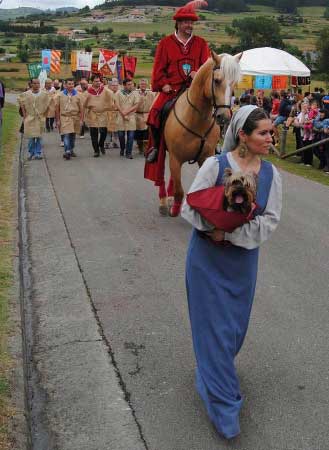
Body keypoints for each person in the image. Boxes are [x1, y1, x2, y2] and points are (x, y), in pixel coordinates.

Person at [181, 106, 282, 440]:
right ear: (243, 135)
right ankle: (225, 407)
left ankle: (212, 370)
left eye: (271, 132)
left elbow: (269, 220)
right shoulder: (215, 165)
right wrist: (214, 228)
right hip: (207, 261)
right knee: (214, 332)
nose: (271, 138)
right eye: (264, 133)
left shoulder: (271, 175)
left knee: (234, 332)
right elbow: (189, 205)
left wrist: (233, 233)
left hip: (242, 265)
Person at [145, 0, 209, 164]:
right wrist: (163, 83)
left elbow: (206, 66)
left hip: (194, 89)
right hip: (171, 89)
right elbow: (158, 69)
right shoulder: (165, 43)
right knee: (155, 113)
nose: (190, 25)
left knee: (213, 110)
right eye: (186, 22)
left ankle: (212, 144)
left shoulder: (201, 43)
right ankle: (157, 147)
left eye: (191, 22)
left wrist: (199, 72)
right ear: (178, 23)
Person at [18, 78, 50, 160]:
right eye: (34, 83)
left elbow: (48, 105)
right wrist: (25, 116)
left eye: (38, 83)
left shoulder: (44, 94)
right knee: (31, 137)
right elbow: (22, 104)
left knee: (39, 137)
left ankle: (38, 153)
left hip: (40, 118)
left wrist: (44, 115)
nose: (36, 85)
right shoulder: (26, 94)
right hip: (30, 118)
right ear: (31, 84)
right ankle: (31, 152)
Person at [84, 75, 114, 157]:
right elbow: (83, 103)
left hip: (103, 114)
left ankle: (101, 144)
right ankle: (96, 150)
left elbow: (112, 96)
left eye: (99, 81)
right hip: (93, 114)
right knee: (93, 133)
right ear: (92, 82)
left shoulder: (105, 90)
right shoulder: (88, 92)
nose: (98, 83)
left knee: (104, 131)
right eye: (96, 81)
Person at [55, 78, 83, 160]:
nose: (71, 85)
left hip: (75, 118)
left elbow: (81, 109)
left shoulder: (79, 95)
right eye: (69, 84)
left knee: (73, 135)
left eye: (72, 84)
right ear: (65, 85)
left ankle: (71, 149)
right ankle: (67, 151)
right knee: (66, 134)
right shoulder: (59, 95)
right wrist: (58, 120)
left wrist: (81, 120)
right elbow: (57, 109)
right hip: (64, 117)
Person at [116, 78, 140, 159]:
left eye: (132, 84)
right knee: (121, 135)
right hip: (121, 116)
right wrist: (123, 113)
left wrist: (127, 112)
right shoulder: (118, 93)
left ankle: (128, 152)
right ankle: (122, 148)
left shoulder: (135, 94)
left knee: (131, 136)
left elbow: (136, 105)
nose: (131, 86)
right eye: (129, 84)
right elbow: (117, 104)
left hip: (131, 116)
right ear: (124, 85)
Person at [135, 78, 155, 155]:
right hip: (137, 115)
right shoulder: (135, 93)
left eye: (144, 84)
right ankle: (140, 147)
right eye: (141, 84)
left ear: (146, 85)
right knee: (139, 133)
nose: (143, 85)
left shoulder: (151, 93)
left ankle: (146, 150)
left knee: (147, 133)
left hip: (147, 115)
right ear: (139, 85)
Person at [105, 77, 120, 149]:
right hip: (109, 113)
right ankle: (107, 143)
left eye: (116, 85)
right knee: (108, 129)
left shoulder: (120, 93)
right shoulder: (107, 93)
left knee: (116, 129)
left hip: (117, 113)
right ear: (110, 86)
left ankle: (115, 142)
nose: (115, 87)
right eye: (113, 85)